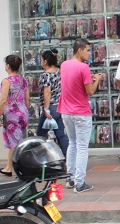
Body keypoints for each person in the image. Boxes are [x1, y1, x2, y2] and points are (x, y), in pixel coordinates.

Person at [58, 38, 103, 193]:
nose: (89, 53)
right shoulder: (83, 68)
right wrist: (97, 80)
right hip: (81, 111)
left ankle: (70, 178)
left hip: (66, 110)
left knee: (72, 143)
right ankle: (79, 182)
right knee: (82, 147)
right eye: (88, 50)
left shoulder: (64, 65)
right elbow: (89, 91)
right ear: (79, 50)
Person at [0, 54, 30, 176]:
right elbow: (27, 98)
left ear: (8, 66)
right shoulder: (23, 80)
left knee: (14, 142)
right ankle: (9, 166)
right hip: (22, 113)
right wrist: (25, 112)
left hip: (11, 115)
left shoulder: (7, 81)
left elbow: (3, 100)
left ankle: (15, 168)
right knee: (15, 141)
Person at [35, 49, 68, 156]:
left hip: (51, 108)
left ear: (45, 61)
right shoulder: (60, 72)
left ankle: (40, 157)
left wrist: (46, 108)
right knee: (61, 135)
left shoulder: (46, 75)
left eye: (41, 60)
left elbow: (47, 91)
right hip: (60, 106)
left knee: (40, 135)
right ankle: (68, 158)